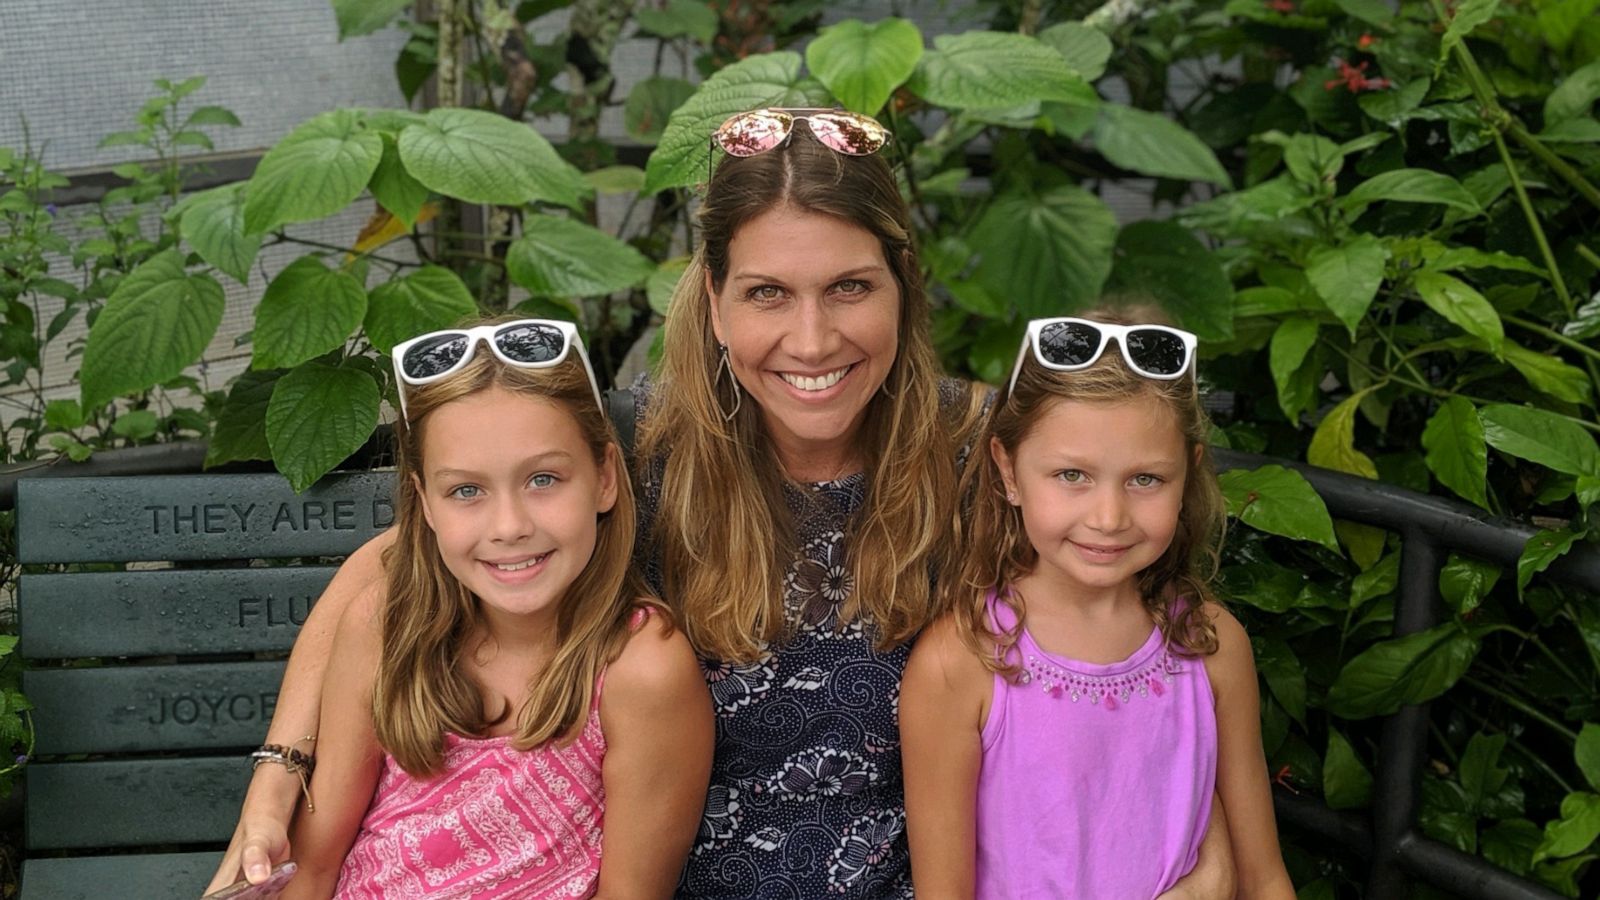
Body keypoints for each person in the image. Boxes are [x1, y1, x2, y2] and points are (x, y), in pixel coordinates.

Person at [209, 112, 1233, 899]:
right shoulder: (646, 453)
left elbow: (1142, 638)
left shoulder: (987, 460)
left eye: (849, 287)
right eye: (767, 294)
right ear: (712, 295)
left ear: (904, 286)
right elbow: (387, 571)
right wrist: (279, 772)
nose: (814, 339)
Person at [270, 319, 712, 898]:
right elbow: (315, 866)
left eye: (544, 478)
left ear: (605, 477)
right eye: (466, 491)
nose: (509, 527)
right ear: (423, 503)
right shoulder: (386, 627)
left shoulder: (640, 668)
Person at [900, 313, 1293, 898]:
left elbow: (1263, 879)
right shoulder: (959, 662)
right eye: (1071, 474)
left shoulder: (1214, 645)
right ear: (1008, 471)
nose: (1108, 518)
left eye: (1146, 480)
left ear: (1187, 471)